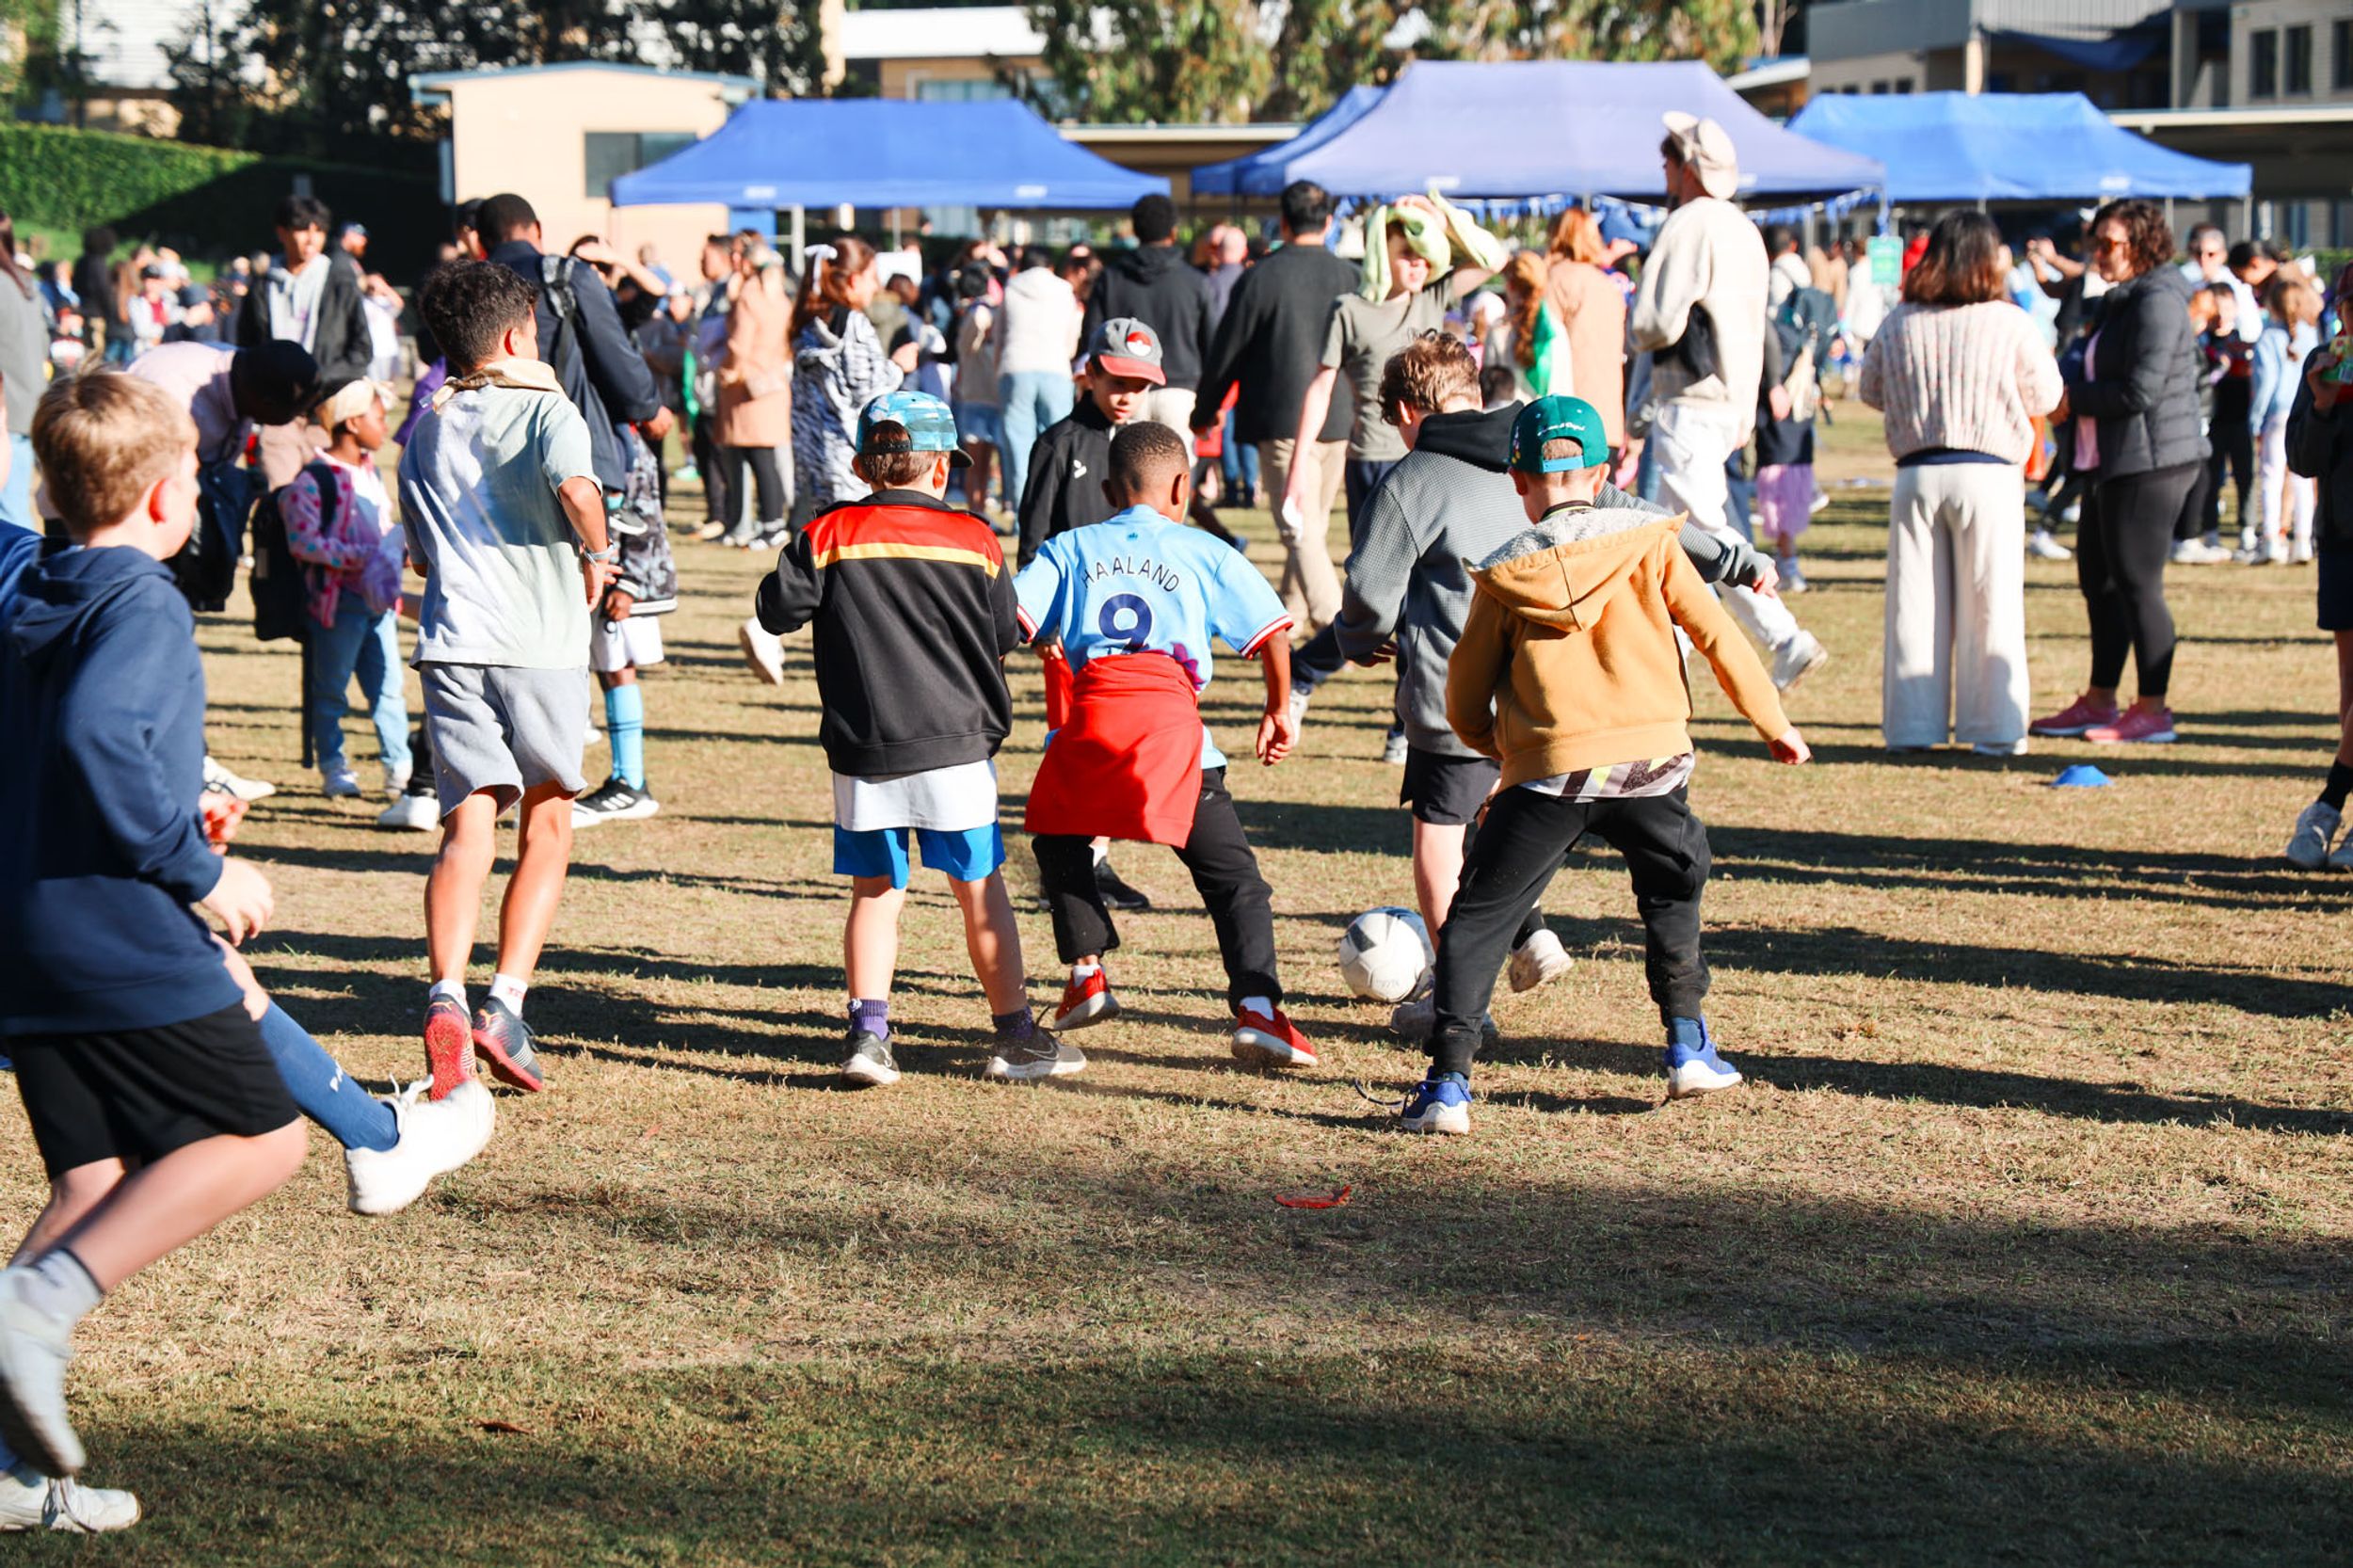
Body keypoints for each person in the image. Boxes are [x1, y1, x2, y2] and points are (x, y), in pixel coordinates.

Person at [0, 368, 311, 1496]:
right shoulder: (141, 600)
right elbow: (96, 734)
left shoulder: (29, 583)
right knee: (264, 1140)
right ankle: (33, 1308)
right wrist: (202, 868)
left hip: (28, 936)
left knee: (95, 1183)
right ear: (170, 495)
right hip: (118, 936)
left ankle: (10, 1476)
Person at [1305, 332, 1772, 1038]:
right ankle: (1533, 937)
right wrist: (1733, 560)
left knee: (1441, 834)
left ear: (1403, 412)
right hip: (1549, 701)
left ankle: (1455, 999)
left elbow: (1369, 593)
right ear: (1473, 389)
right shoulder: (1543, 452)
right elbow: (1645, 521)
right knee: (1508, 824)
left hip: (1453, 697)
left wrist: (1357, 639)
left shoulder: (1413, 478)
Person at [1396, 395, 1810, 1135]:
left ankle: (1449, 1085)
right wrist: (1773, 724)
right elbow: (1719, 637)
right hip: (1652, 764)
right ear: (1603, 474)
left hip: (1548, 773)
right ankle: (1688, 1044)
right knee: (1673, 891)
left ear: (1517, 481)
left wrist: (1504, 753)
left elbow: (1462, 695)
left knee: (1478, 920)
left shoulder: (1504, 574)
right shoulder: (1652, 544)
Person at [750, 392, 1043, 1086]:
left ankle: (869, 1037)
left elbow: (775, 610)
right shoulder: (976, 538)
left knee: (874, 891)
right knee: (979, 890)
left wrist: (812, 535)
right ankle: (1016, 1036)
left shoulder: (829, 535)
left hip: (866, 746)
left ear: (861, 467)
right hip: (958, 745)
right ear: (941, 469)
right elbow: (1006, 631)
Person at [1016, 422, 1315, 1070]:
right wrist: (1276, 709)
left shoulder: (1070, 547)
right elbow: (1273, 633)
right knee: (1234, 881)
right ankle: (1259, 1009)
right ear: (1183, 486)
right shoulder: (1204, 549)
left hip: (1093, 722)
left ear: (1107, 492)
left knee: (1058, 842)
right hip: (1171, 729)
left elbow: (1012, 618)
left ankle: (1087, 972)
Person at [398, 261, 616, 1099]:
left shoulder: (427, 426)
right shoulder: (547, 408)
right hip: (538, 642)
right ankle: (506, 1004)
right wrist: (598, 552)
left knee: (466, 828)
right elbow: (578, 489)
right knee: (548, 823)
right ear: (521, 333)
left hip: (453, 643)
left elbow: (421, 554)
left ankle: (445, 994)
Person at [1629, 112, 1830, 693]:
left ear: (1687, 167)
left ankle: (1784, 637)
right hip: (1725, 404)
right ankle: (1667, 657)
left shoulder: (1689, 223)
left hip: (1688, 399)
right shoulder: (1745, 231)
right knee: (1667, 540)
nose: (1664, 171)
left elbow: (1654, 321)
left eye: (1668, 160)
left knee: (1702, 531)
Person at [1859, 210, 2064, 757]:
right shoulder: (2009, 321)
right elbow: (2046, 394)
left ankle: (1911, 728)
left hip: (1917, 472)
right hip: (1989, 473)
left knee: (1913, 607)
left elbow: (1870, 389)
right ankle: (1995, 728)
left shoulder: (1901, 320)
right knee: (1991, 602)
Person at [2031, 200, 2205, 747]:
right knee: (2099, 582)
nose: (2097, 253)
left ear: (2143, 244)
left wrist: (2071, 400)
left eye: (2109, 244)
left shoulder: (2159, 301)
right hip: (2109, 459)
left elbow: (2140, 391)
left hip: (2151, 462)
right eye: (2094, 243)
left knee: (2136, 584)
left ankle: (2153, 709)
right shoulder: (2122, 298)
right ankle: (2100, 698)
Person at [1014, 318, 1171, 914]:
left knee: (1118, 746)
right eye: (1118, 380)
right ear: (1092, 373)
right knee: (1076, 746)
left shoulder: (1151, 446)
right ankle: (1070, 871)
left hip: (1132, 629)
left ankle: (1096, 862)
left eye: (1140, 384)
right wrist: (1045, 624)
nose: (1128, 394)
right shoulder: (1059, 444)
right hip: (1071, 631)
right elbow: (1033, 539)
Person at [127, 336, 324, 805]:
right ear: (262, 399)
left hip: (164, 529)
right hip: (127, 530)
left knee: (172, 646)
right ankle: (175, 769)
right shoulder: (173, 391)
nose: (295, 422)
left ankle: (187, 762)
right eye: (291, 412)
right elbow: (137, 485)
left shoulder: (237, 383)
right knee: (144, 651)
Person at [1193, 181, 1358, 636]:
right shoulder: (1351, 276)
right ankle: (1292, 612)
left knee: (1299, 527)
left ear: (1282, 222)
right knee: (1309, 526)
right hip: (1339, 414)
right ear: (1329, 222)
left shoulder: (1261, 276)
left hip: (1282, 415)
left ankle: (1337, 627)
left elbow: (1228, 350)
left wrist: (1205, 411)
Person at [475, 194, 672, 505]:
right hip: (572, 445)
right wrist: (647, 407)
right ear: (536, 229)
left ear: (480, 240)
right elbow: (613, 349)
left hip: (485, 448)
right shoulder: (564, 276)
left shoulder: (465, 287)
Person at [280, 377, 410, 799]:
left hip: (379, 604)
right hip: (338, 606)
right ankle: (334, 766)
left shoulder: (372, 474)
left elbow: (381, 528)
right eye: (379, 417)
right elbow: (304, 542)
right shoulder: (313, 480)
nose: (385, 426)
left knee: (387, 688)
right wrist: (364, 556)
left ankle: (399, 766)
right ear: (352, 423)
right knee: (331, 690)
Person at [572, 421, 677, 827]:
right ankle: (626, 780)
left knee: (618, 671)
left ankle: (630, 782)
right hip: (611, 573)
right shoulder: (611, 432)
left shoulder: (622, 439)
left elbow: (643, 511)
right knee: (607, 670)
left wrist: (630, 582)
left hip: (627, 579)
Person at [2281, 280, 2353, 868]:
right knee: (2350, 688)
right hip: (2343, 539)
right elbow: (2301, 461)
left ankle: (2329, 804)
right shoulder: (2322, 362)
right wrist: (2323, 404)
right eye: (2351, 308)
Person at [232, 196, 375, 488]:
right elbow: (246, 348)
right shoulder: (262, 284)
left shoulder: (339, 280)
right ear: (281, 232)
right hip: (276, 416)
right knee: (280, 495)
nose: (311, 239)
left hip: (325, 416)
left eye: (318, 231)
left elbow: (361, 350)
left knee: (329, 499)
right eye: (302, 230)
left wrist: (320, 379)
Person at [791, 238, 915, 522]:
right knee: (851, 537)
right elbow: (866, 390)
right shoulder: (854, 325)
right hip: (846, 457)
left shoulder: (809, 324)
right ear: (853, 280)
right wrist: (898, 366)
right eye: (872, 277)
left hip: (810, 453)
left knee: (821, 535)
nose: (877, 286)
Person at [1081, 194, 1214, 439]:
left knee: (1122, 461)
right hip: (1180, 391)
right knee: (1177, 462)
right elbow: (1211, 346)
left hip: (1123, 390)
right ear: (1174, 232)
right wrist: (1212, 402)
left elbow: (1091, 336)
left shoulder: (1111, 278)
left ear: (1135, 230)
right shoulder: (1196, 282)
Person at [714, 241, 792, 551]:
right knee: (766, 457)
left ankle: (770, 524)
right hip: (773, 381)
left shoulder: (749, 296)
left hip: (746, 384)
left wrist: (728, 371)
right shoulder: (780, 296)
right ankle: (772, 522)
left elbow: (739, 343)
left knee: (754, 457)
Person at [994, 246, 1082, 514]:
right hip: (1055, 368)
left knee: (1018, 447)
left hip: (1015, 367)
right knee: (1059, 443)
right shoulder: (1064, 290)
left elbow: (999, 336)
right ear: (1050, 266)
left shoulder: (1011, 288)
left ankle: (1023, 516)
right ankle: (1056, 511)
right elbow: (1071, 341)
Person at [1541, 208, 1629, 456]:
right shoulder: (1608, 285)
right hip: (1607, 419)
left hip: (1566, 419)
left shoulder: (1554, 280)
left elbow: (1542, 346)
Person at [2247, 274, 2321, 565]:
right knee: (2302, 478)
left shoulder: (2268, 338)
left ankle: (2271, 540)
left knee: (2271, 477)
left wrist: (2255, 420)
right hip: (2304, 412)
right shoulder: (2311, 335)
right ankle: (2302, 541)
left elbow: (2264, 384)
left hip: (2277, 414)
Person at [950, 264, 1005, 520]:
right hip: (992, 393)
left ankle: (977, 510)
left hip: (974, 393)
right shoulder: (995, 311)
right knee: (982, 461)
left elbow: (963, 348)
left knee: (976, 462)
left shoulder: (976, 313)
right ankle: (978, 511)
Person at [0, 216, 44, 533]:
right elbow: (43, 344)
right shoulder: (24, 284)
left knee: (11, 512)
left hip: (7, 411)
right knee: (14, 507)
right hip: (29, 405)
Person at [1490, 251, 1573, 402]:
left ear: (1510, 286)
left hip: (1510, 415)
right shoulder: (1555, 330)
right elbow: (1566, 388)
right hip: (1548, 414)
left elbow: (1489, 388)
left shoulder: (1498, 330)